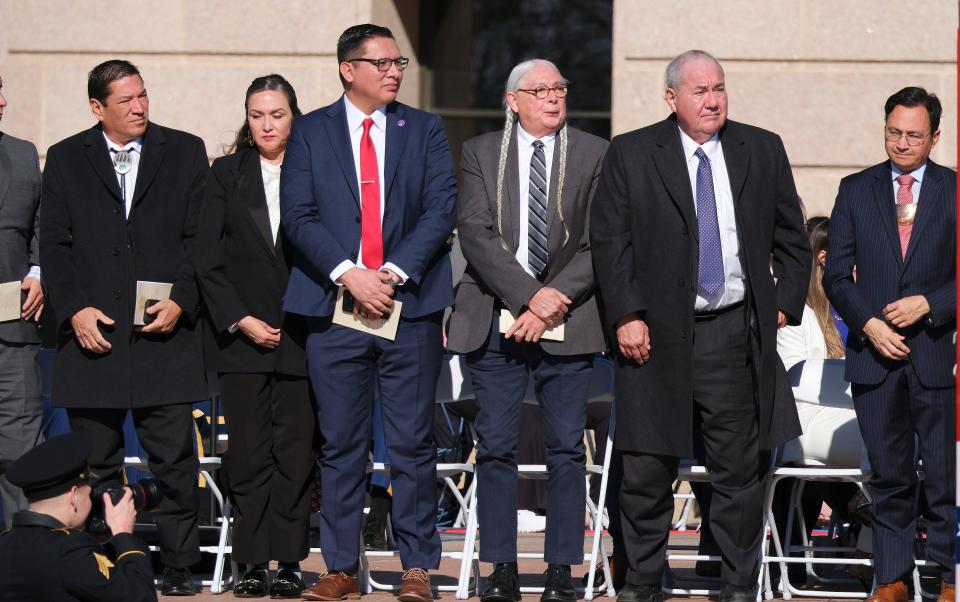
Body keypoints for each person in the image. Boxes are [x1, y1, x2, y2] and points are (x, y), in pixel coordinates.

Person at [590, 49, 810, 602]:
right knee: (645, 468)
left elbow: (793, 237)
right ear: (672, 98)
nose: (712, 100)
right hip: (654, 336)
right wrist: (626, 315)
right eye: (698, 90)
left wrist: (782, 303)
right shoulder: (633, 153)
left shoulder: (760, 148)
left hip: (733, 332)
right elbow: (612, 245)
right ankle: (641, 580)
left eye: (719, 88)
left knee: (739, 473)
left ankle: (737, 585)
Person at [281, 24, 457, 602]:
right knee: (341, 443)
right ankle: (338, 566)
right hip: (335, 310)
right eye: (379, 62)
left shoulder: (424, 128)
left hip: (409, 306)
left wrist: (391, 273)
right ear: (346, 69)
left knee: (411, 443)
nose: (394, 71)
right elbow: (299, 215)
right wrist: (348, 273)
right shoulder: (309, 132)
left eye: (398, 61)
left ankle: (417, 567)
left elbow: (439, 210)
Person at [40, 59, 208, 596]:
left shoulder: (184, 150)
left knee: (175, 461)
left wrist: (182, 300)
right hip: (95, 339)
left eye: (143, 96)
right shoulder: (67, 158)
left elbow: (199, 239)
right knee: (98, 464)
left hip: (166, 336)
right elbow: (55, 248)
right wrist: (75, 311)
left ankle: (182, 564)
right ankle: (111, 561)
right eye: (125, 100)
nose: (139, 107)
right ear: (97, 107)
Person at [446, 58, 608, 602]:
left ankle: (562, 569)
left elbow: (598, 240)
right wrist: (526, 296)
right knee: (494, 447)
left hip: (570, 314)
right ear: (512, 100)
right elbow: (475, 232)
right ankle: (501, 569)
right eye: (540, 90)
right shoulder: (480, 152)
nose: (553, 98)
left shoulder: (593, 152)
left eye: (559, 87)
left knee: (566, 447)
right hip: (494, 316)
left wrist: (550, 302)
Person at [823, 86, 956, 602]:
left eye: (914, 135)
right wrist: (868, 324)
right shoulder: (855, 190)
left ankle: (947, 575)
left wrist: (931, 304)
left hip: (936, 353)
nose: (902, 143)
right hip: (873, 358)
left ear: (935, 136)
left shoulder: (953, 190)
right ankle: (894, 577)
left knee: (944, 478)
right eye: (893, 132)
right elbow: (836, 275)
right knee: (890, 476)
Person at [196, 74, 313, 599]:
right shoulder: (224, 173)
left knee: (295, 450)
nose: (266, 124)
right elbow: (206, 259)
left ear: (294, 114)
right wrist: (239, 319)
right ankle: (250, 561)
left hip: (304, 331)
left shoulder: (318, 170)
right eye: (257, 115)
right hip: (240, 336)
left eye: (277, 114)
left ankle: (288, 560)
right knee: (246, 452)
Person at [0, 432, 156, 601]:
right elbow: (139, 597)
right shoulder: (70, 550)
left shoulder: (5, 543)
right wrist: (124, 535)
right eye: (89, 494)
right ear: (74, 496)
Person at [0, 73, 44, 527]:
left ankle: (18, 564)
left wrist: (38, 271)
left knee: (19, 457)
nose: (3, 100)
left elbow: (42, 228)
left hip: (14, 329)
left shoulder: (23, 153)